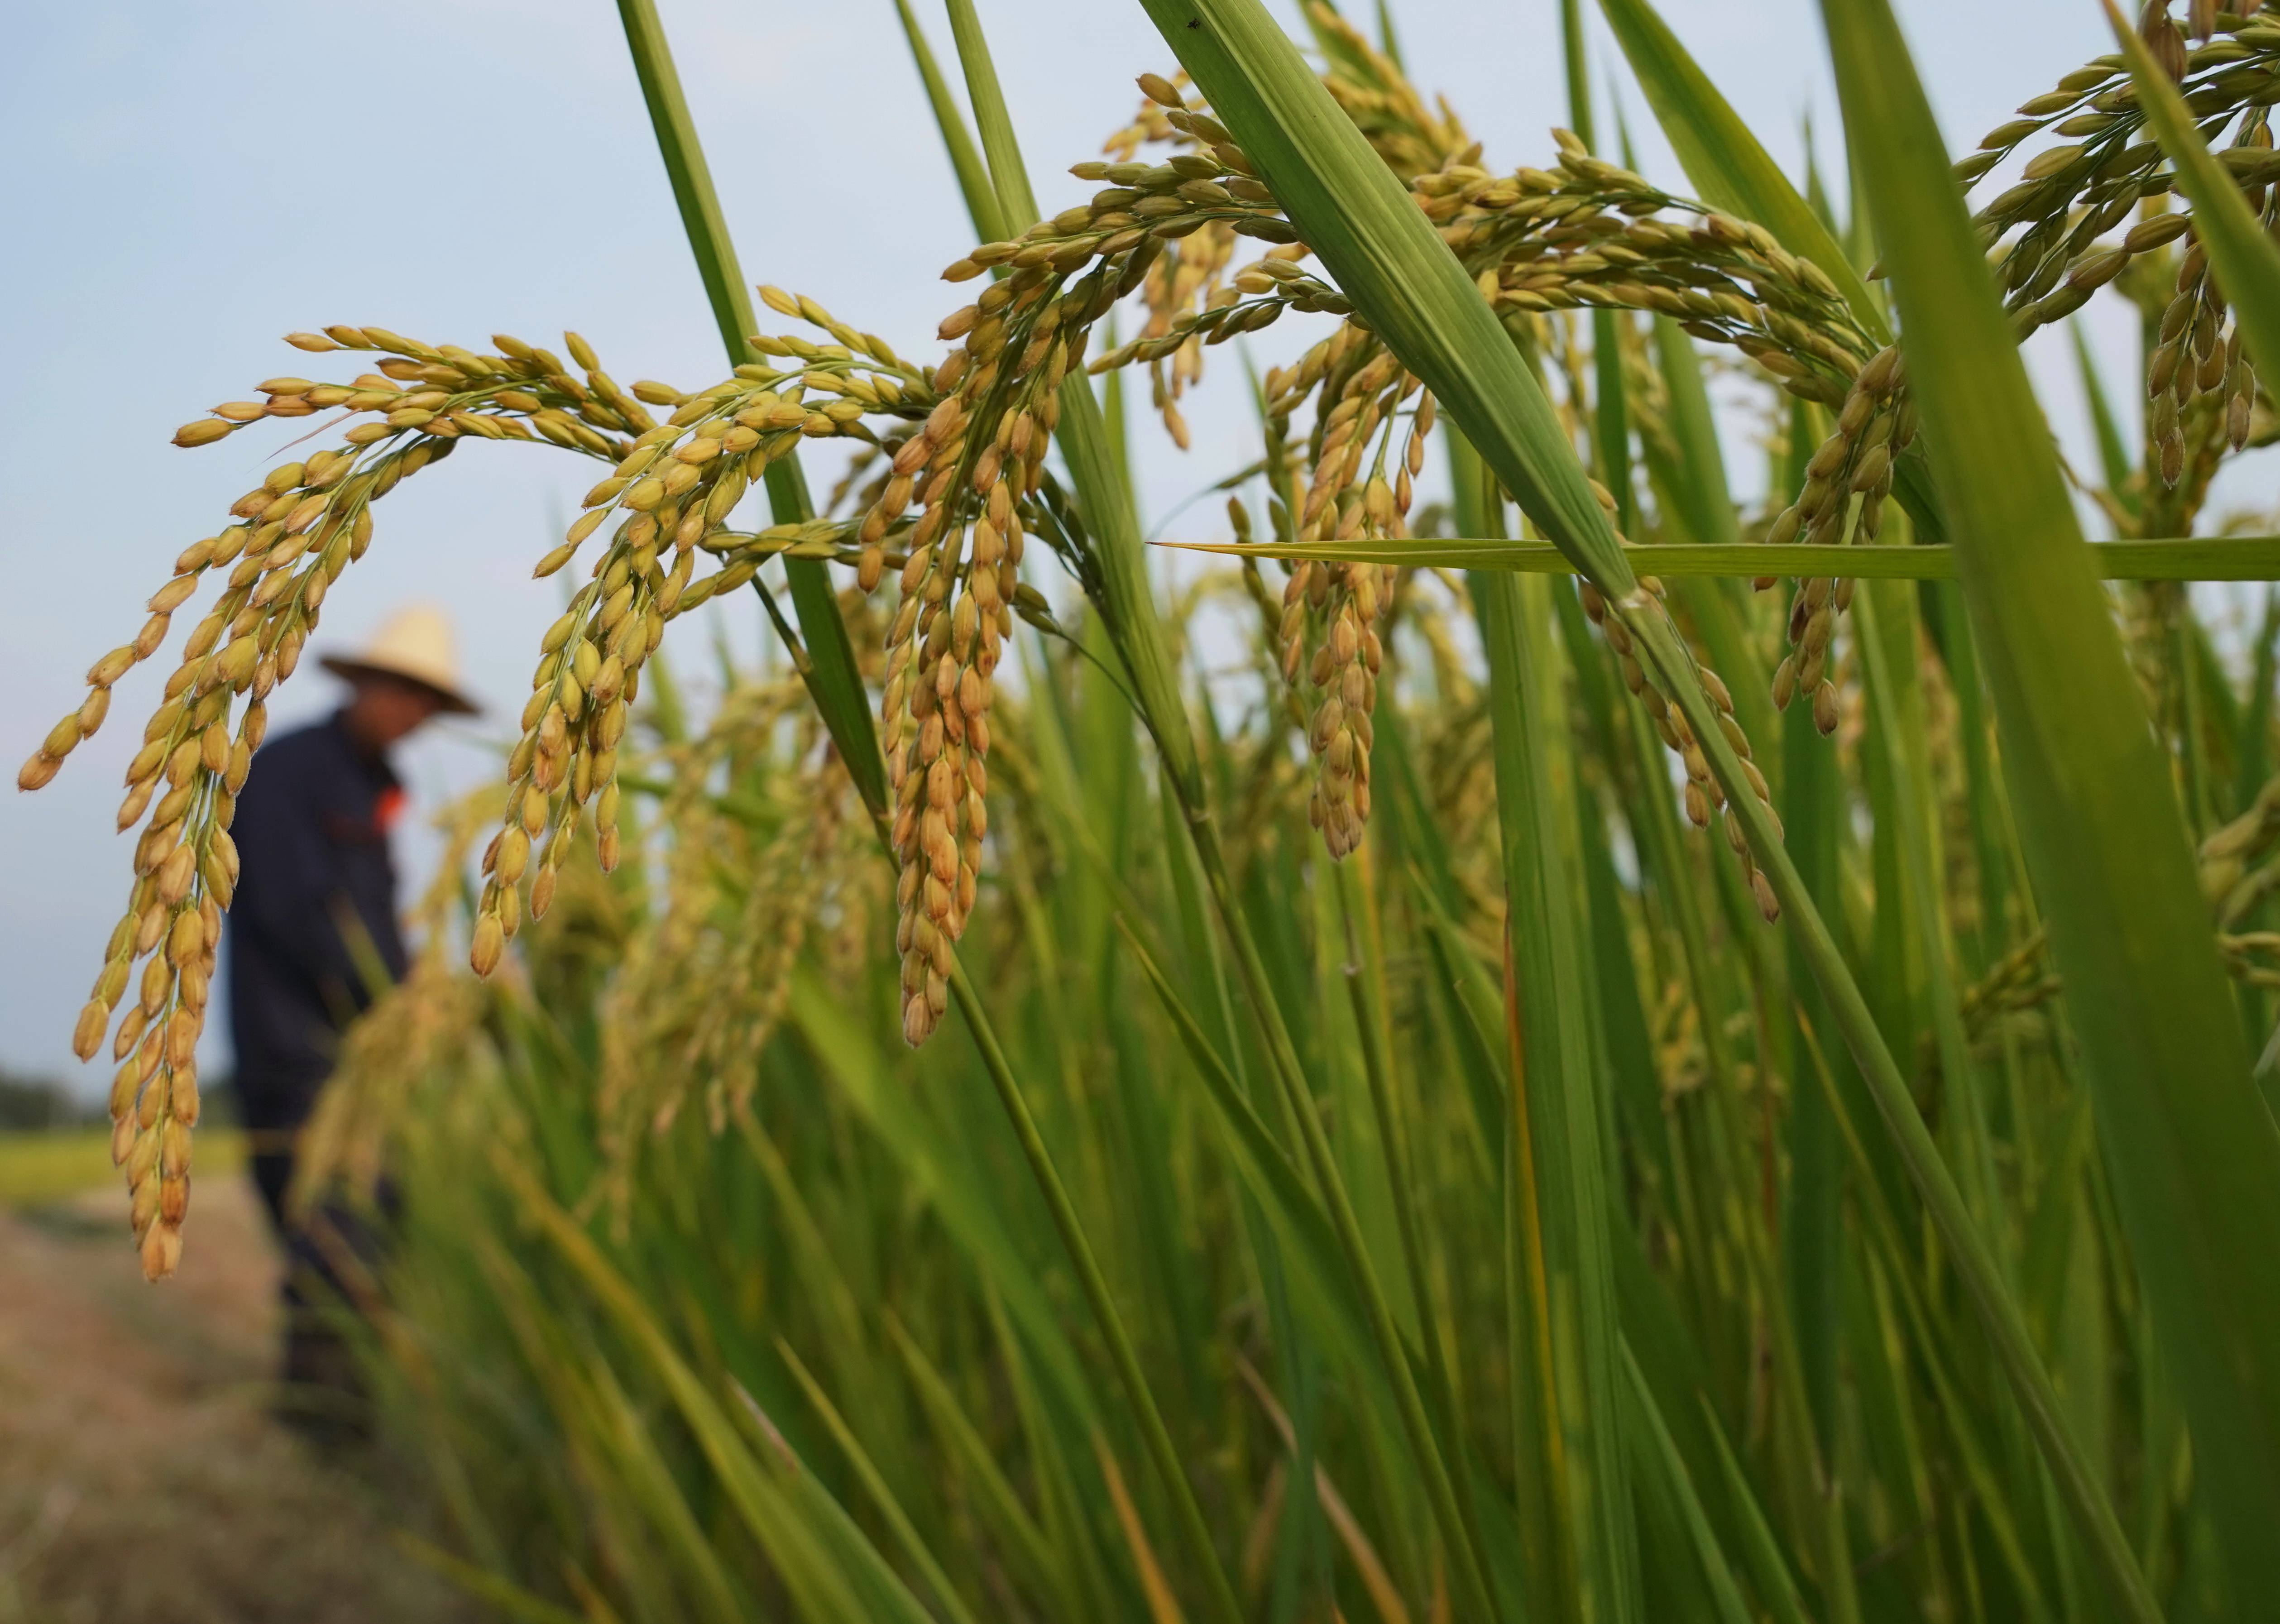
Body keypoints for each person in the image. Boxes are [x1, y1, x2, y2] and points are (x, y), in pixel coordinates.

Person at [224, 604, 477, 1434]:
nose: (410, 713)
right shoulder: (291, 771)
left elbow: (369, 926)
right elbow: (299, 913)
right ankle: (323, 1428)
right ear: (363, 683)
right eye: (400, 691)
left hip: (360, 1054)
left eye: (425, 702)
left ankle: (339, 1416)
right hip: (294, 1049)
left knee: (363, 1228)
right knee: (333, 1238)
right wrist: (405, 994)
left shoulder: (377, 788)